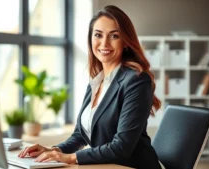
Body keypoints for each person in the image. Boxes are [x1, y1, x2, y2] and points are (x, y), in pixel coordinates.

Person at [18, 5, 163, 169]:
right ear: (91, 39)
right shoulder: (96, 81)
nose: (104, 43)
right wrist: (54, 150)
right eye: (98, 35)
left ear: (126, 42)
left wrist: (71, 158)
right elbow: (80, 134)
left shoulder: (136, 80)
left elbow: (122, 146)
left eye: (114, 36)